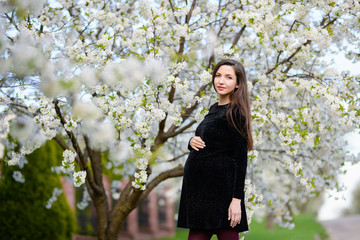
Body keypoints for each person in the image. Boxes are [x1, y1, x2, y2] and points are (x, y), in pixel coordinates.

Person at [177, 59, 253, 240]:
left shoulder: (236, 112)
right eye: (218, 76)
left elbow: (241, 158)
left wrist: (236, 200)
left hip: (222, 196)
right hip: (200, 195)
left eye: (228, 77)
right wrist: (191, 142)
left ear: (237, 84)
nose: (221, 81)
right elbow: (211, 142)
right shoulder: (213, 109)